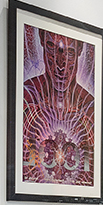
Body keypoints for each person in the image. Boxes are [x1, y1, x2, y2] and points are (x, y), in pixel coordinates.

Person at [21, 24, 95, 187]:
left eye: (69, 52)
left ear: (79, 51)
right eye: (51, 48)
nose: (60, 64)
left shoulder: (91, 109)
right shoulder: (26, 96)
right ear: (41, 41)